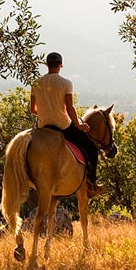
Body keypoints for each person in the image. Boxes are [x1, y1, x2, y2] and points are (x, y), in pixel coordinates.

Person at [30, 52, 102, 197]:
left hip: (43, 127)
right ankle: (91, 184)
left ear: (47, 65)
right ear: (60, 65)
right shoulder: (66, 83)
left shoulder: (36, 83)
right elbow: (70, 108)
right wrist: (79, 125)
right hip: (63, 126)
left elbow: (33, 109)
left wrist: (47, 113)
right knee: (91, 148)